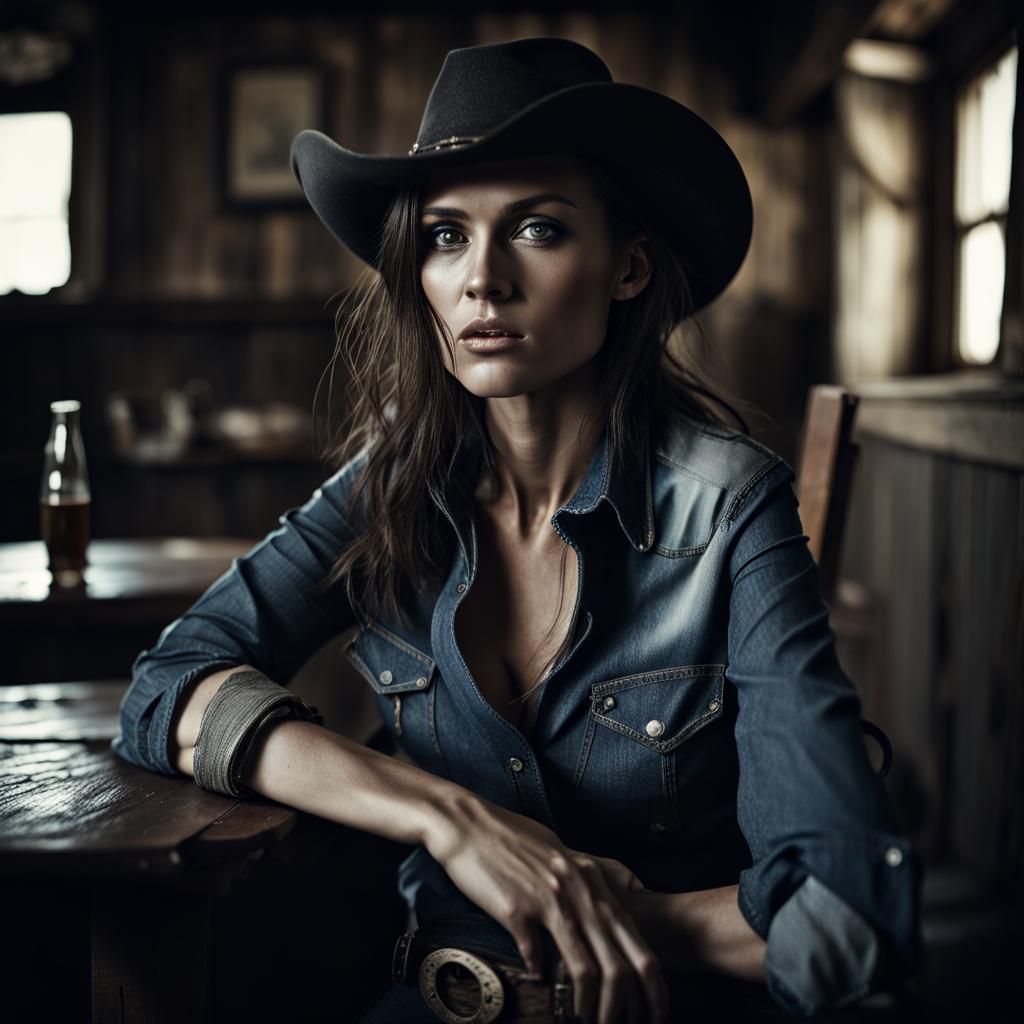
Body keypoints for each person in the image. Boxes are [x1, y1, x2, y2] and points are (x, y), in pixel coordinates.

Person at [112, 37, 921, 1024]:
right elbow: (166, 687)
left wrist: (595, 910)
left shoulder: (728, 504)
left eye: (536, 229)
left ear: (626, 269)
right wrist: (448, 819)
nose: (480, 280)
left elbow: (849, 919)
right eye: (446, 237)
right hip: (435, 1000)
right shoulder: (386, 493)